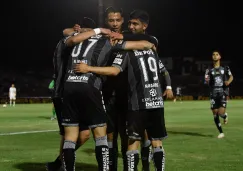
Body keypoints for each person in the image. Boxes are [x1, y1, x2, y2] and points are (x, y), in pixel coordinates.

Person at [74, 9, 170, 171]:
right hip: (108, 94)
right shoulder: (102, 37)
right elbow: (69, 33)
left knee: (131, 138)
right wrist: (83, 30)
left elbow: (151, 41)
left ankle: (142, 167)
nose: (115, 24)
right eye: (111, 20)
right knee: (111, 136)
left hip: (129, 96)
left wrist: (123, 39)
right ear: (106, 21)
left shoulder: (129, 35)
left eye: (118, 20)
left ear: (122, 20)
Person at [61, 25, 155, 171]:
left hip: (68, 87)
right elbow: (143, 44)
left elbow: (68, 35)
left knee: (69, 137)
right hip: (89, 86)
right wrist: (149, 45)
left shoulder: (79, 39)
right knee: (101, 134)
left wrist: (93, 30)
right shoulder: (108, 42)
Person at [46, 24, 91, 171]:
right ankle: (62, 166)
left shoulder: (82, 45)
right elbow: (66, 32)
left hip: (77, 94)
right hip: (62, 93)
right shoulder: (67, 41)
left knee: (84, 135)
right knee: (67, 134)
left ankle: (59, 162)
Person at [205, 50, 233, 138]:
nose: (215, 56)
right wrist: (207, 80)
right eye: (213, 54)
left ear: (220, 57)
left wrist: (228, 82)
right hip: (213, 93)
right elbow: (206, 79)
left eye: (217, 54)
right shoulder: (208, 69)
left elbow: (231, 77)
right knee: (215, 113)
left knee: (220, 113)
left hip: (222, 92)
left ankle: (225, 116)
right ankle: (221, 132)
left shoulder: (225, 68)